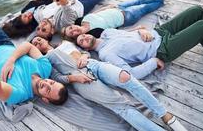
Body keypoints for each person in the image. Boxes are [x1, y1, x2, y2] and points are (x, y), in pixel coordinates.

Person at [30, 37, 187, 131]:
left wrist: (84, 55)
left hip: (92, 64)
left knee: (126, 77)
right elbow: (57, 78)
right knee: (121, 106)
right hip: (81, 80)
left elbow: (83, 50)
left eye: (38, 38)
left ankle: (165, 115)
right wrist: (74, 78)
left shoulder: (63, 42)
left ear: (46, 38)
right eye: (35, 43)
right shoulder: (45, 61)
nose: (37, 41)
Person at [76, 6, 203, 71]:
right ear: (86, 48)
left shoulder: (107, 32)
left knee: (196, 11)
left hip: (159, 32)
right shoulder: (106, 54)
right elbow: (130, 73)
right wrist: (153, 62)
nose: (83, 38)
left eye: (82, 36)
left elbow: (130, 33)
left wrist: (142, 30)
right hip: (162, 49)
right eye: (81, 42)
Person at [61, 0, 165, 39]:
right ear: (74, 37)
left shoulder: (80, 20)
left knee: (139, 0)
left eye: (71, 28)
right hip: (126, 17)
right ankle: (161, 2)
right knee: (145, 8)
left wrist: (107, 7)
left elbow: (96, 14)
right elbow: (115, 34)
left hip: (117, 7)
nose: (74, 30)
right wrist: (136, 29)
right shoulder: (93, 34)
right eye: (72, 33)